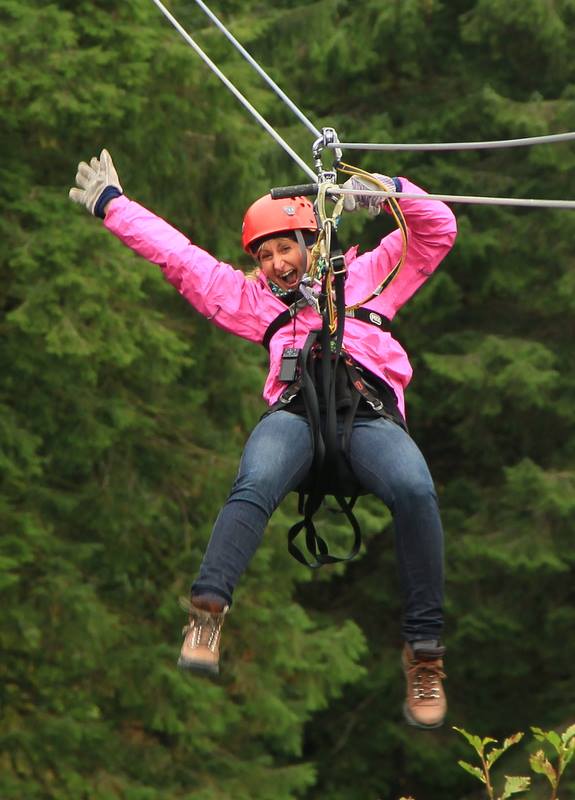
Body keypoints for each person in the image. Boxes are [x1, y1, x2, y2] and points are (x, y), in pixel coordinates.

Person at [69, 149, 457, 729]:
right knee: (254, 482)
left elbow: (437, 230)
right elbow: (181, 258)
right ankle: (207, 613)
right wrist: (113, 207)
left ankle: (424, 654)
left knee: (416, 491)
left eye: (285, 249)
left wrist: (387, 190)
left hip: (368, 417)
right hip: (297, 416)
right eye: (265, 255)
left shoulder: (371, 278)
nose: (277, 264)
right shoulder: (254, 303)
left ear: (311, 243)